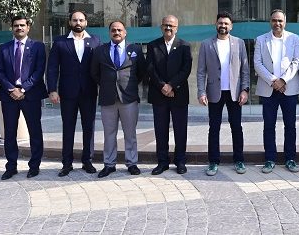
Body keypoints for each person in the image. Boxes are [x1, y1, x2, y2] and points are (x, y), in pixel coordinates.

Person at [47, 10, 101, 177]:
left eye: (81, 20)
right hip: (67, 92)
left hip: (89, 91)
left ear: (86, 22)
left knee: (89, 127)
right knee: (68, 127)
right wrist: (52, 90)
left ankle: (87, 160)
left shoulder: (95, 41)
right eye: (75, 20)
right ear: (70, 22)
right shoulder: (60, 42)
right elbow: (52, 67)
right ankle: (67, 163)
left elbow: (100, 66)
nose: (78, 23)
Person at [197, 11, 250, 176]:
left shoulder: (239, 43)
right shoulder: (206, 44)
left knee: (236, 127)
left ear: (231, 26)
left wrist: (245, 89)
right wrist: (201, 92)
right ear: (216, 24)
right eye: (220, 23)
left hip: (234, 92)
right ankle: (213, 162)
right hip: (214, 92)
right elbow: (201, 71)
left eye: (226, 23)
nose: (223, 26)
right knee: (214, 128)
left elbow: (245, 70)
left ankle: (239, 160)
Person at [0, 15, 48, 180]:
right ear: (12, 28)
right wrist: (11, 88)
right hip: (9, 95)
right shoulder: (4, 48)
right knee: (10, 133)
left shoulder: (38, 47)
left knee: (35, 131)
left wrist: (23, 89)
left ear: (28, 27)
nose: (19, 28)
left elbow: (39, 71)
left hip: (31, 95)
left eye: (22, 25)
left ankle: (34, 166)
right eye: (16, 25)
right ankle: (11, 167)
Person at [90, 21, 145, 178]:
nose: (116, 32)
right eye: (113, 30)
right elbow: (94, 73)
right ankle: (109, 164)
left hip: (129, 98)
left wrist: (129, 85)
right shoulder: (100, 50)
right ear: (109, 33)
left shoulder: (135, 49)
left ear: (125, 32)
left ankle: (132, 163)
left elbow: (141, 72)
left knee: (130, 133)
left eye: (119, 30)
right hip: (108, 98)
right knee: (109, 134)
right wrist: (107, 85)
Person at [254, 9, 299, 173]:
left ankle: (290, 159)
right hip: (268, 89)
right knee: (269, 125)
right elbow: (257, 64)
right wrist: (273, 81)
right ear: (270, 22)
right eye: (274, 20)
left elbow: (296, 61)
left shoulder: (294, 38)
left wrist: (283, 80)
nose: (277, 23)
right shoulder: (261, 39)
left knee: (290, 125)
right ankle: (269, 159)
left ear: (285, 22)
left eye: (280, 20)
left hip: (288, 88)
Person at [146, 15, 192, 175]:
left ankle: (180, 161)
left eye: (171, 25)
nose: (168, 28)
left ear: (176, 28)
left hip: (179, 94)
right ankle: (162, 162)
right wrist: (163, 86)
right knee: (160, 130)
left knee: (180, 130)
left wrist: (171, 85)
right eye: (165, 25)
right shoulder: (152, 45)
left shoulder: (184, 46)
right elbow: (150, 68)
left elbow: (186, 69)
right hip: (159, 94)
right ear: (161, 27)